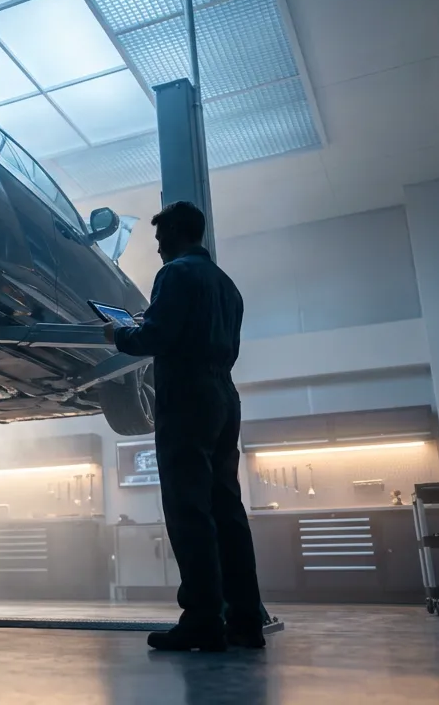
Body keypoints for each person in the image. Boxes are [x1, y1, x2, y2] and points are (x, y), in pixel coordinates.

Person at [101, 200, 264, 652]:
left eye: (159, 237)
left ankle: (203, 620)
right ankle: (246, 620)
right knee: (227, 510)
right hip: (223, 398)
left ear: (175, 233)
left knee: (188, 509)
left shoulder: (175, 275)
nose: (156, 247)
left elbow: (156, 337)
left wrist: (118, 334)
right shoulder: (228, 286)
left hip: (187, 398)